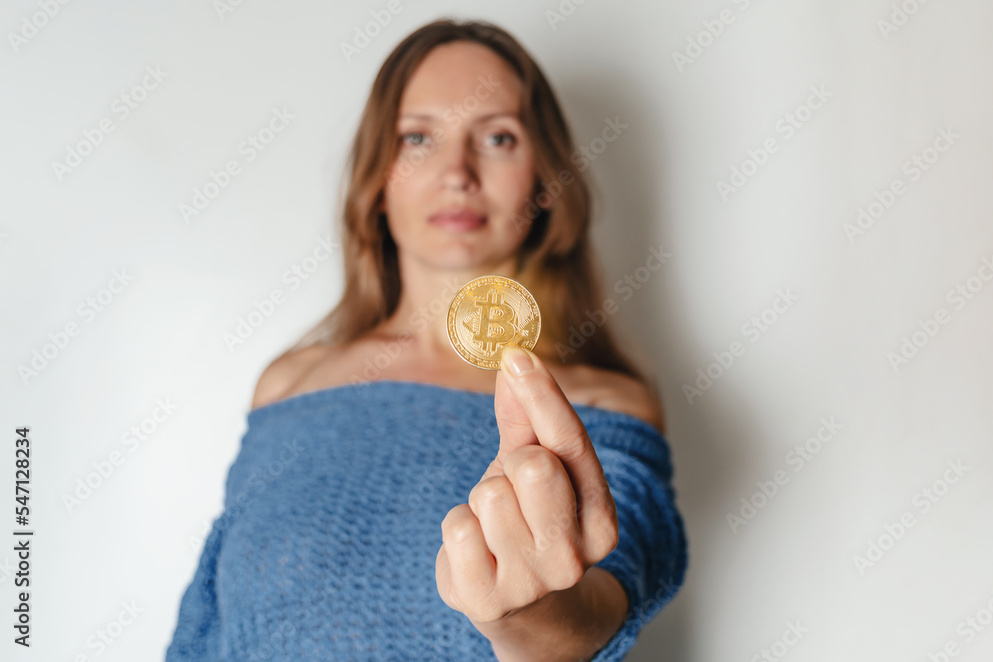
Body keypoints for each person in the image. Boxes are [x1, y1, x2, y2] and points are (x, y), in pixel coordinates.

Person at [165, 18, 687, 661]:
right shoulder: (290, 384)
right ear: (377, 180)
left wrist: (529, 621)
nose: (457, 171)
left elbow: (604, 604)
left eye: (497, 137)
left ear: (545, 181)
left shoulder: (603, 403)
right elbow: (209, 621)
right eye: (418, 138)